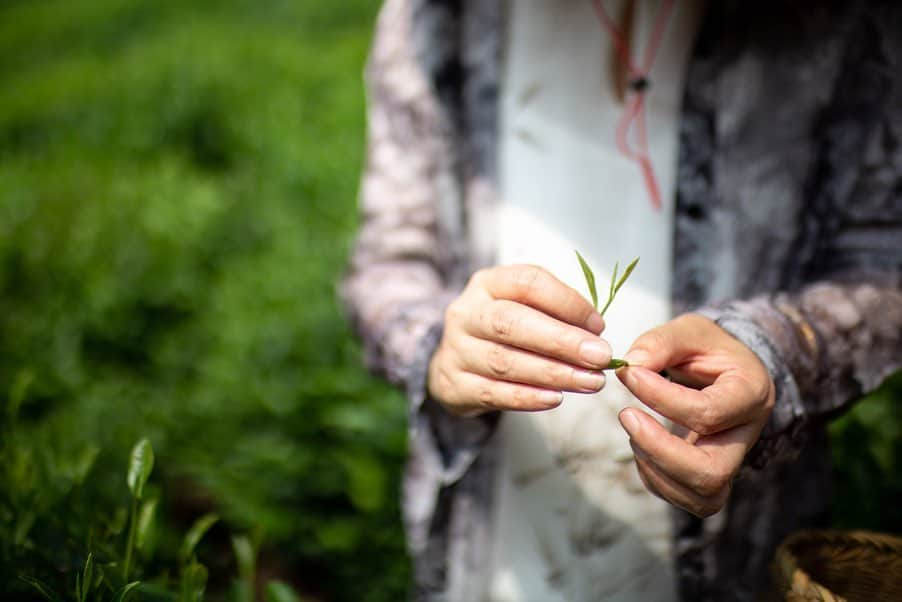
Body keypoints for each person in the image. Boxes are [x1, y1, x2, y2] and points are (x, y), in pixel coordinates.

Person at [342, 0, 902, 600]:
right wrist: (436, 347)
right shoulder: (439, 17)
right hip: (494, 546)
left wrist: (781, 350)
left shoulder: (846, 21)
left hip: (737, 555)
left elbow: (883, 266)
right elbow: (387, 262)